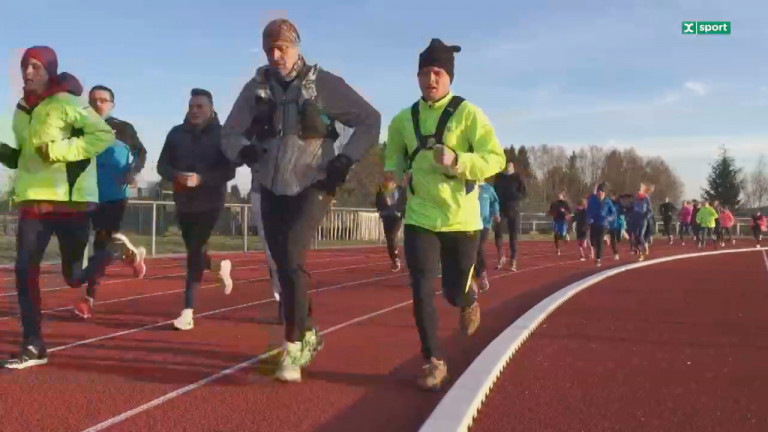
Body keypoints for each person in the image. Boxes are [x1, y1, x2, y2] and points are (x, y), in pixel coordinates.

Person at [220, 19, 381, 383]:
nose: (276, 56)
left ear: (297, 46)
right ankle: (307, 332)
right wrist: (242, 149)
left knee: (291, 256)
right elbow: (228, 132)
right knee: (284, 264)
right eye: (269, 49)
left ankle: (292, 346)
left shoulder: (322, 83)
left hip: (314, 182)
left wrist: (346, 158)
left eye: (283, 48)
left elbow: (370, 120)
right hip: (269, 184)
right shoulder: (256, 88)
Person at [383, 38, 505, 391]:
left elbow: (494, 159)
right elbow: (394, 157)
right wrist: (392, 175)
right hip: (420, 217)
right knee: (421, 288)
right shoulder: (403, 120)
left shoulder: (469, 114)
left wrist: (459, 162)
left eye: (437, 72)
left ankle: (468, 300)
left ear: (449, 76)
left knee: (453, 291)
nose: (430, 79)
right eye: (424, 73)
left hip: (462, 220)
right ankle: (432, 360)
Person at [0, 46, 114, 369]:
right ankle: (33, 343)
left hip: (69, 202)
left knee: (74, 276)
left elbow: (103, 135)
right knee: (24, 271)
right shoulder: (21, 111)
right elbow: (23, 155)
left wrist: (61, 149)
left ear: (50, 70)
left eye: (36, 66)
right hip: (33, 201)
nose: (28, 72)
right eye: (25, 66)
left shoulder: (68, 102)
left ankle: (107, 253)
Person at [157, 88, 236, 331]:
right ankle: (217, 266)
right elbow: (162, 166)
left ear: (211, 108)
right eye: (191, 106)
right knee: (195, 249)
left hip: (211, 201)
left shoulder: (222, 135)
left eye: (200, 106)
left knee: (194, 253)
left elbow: (229, 171)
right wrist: (177, 177)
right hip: (184, 202)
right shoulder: (176, 133)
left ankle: (187, 311)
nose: (194, 110)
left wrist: (202, 179)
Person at [73, 85, 149, 319]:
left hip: (114, 196)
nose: (98, 104)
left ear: (112, 105)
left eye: (103, 100)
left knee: (101, 246)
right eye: (93, 100)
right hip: (86, 195)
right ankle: (131, 255)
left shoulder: (124, 129)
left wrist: (132, 172)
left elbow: (141, 152)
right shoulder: (80, 129)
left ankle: (89, 299)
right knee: (87, 246)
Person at [250, 184, 283, 322]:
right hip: (261, 191)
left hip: (288, 189)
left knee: (289, 247)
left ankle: (292, 305)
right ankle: (285, 301)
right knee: (270, 250)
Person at [493, 157, 526, 271]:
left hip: (513, 208)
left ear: (513, 165)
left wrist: (514, 196)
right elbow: (494, 191)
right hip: (500, 208)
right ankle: (501, 256)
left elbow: (524, 193)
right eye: (506, 163)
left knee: (513, 235)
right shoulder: (499, 177)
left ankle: (513, 259)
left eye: (510, 164)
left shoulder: (517, 177)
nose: (508, 165)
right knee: (497, 232)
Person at [375, 176, 407, 272]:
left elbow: (404, 201)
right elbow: (378, 202)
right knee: (389, 238)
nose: (386, 181)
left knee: (392, 235)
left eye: (389, 180)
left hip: (396, 216)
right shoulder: (381, 190)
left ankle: (397, 257)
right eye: (385, 179)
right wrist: (381, 210)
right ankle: (394, 258)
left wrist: (401, 211)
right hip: (386, 216)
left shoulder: (400, 190)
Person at [476, 178, 501, 292]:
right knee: (470, 249)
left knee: (480, 246)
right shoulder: (468, 185)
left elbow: (495, 201)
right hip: (469, 223)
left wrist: (496, 212)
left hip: (484, 224)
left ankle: (482, 273)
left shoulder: (488, 189)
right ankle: (473, 275)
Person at [586, 183, 616, 267]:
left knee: (599, 241)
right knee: (592, 242)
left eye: (602, 192)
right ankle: (605, 237)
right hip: (594, 223)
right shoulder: (592, 200)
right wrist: (588, 218)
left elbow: (613, 213)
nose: (600, 194)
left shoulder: (608, 202)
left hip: (603, 224)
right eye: (599, 192)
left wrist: (609, 218)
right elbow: (588, 210)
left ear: (605, 193)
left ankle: (598, 259)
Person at [629, 183, 654, 261]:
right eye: (637, 190)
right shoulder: (635, 199)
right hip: (635, 219)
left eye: (639, 190)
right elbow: (631, 208)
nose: (638, 192)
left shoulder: (646, 198)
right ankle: (640, 249)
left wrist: (646, 217)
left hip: (643, 219)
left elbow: (650, 211)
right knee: (635, 236)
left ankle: (642, 252)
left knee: (640, 235)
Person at [548, 191, 571, 256]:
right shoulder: (554, 203)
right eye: (558, 195)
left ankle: (566, 236)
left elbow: (569, 212)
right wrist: (549, 213)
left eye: (560, 195)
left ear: (563, 196)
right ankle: (558, 249)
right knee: (556, 235)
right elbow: (551, 211)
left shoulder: (565, 203)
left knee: (562, 235)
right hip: (556, 220)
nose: (559, 196)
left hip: (563, 220)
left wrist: (564, 211)